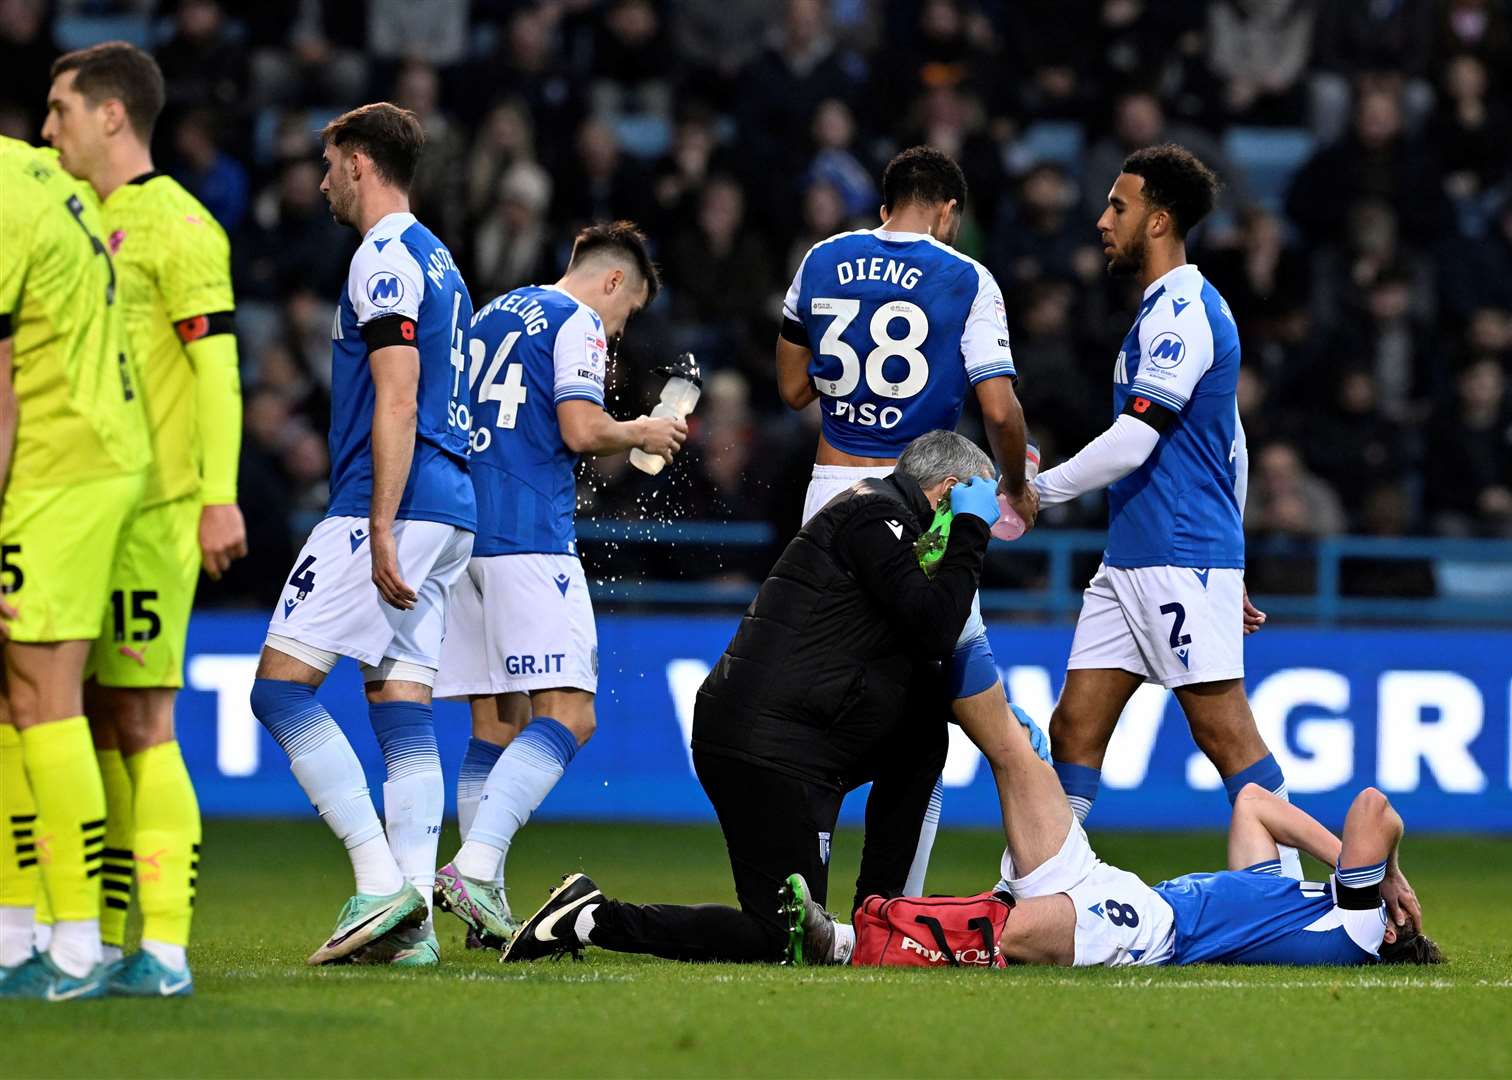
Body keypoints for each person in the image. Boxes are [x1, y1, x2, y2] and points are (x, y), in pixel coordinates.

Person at [501, 431, 1002, 965]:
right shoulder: (875, 517)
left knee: (922, 732)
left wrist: (994, 709)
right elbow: (933, 628)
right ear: (949, 491)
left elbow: (918, 647)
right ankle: (591, 917)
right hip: (766, 747)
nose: (986, 519)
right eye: (981, 502)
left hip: (798, 738)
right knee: (778, 941)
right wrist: (971, 530)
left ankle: (878, 922)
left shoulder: (881, 519)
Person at [1026, 144, 1303, 876]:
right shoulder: (1162, 310)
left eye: (1118, 207)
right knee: (1075, 727)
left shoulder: (1183, 312)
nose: (1101, 220)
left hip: (1179, 553)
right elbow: (1233, 444)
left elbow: (1132, 442)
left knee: (1225, 736)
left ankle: (1299, 893)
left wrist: (1039, 490)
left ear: (1159, 221)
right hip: (1134, 556)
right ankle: (1049, 883)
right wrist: (1235, 557)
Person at [245, 103, 477, 967]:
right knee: (400, 706)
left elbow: (398, 392)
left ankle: (379, 879)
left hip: (391, 503)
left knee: (279, 690)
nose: (320, 182)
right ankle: (412, 922)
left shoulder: (382, 257)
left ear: (363, 164)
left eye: (329, 163)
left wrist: (377, 520)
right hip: (453, 506)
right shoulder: (441, 258)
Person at [775, 144, 1037, 896]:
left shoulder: (822, 258)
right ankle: (902, 906)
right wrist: (1015, 483)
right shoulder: (966, 278)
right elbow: (998, 407)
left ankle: (799, 889)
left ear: (885, 200)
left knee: (815, 696)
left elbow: (794, 386)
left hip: (827, 499)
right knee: (933, 714)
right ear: (949, 210)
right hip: (916, 505)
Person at [42, 41, 246, 997]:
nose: (49, 131)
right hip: (80, 507)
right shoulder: (75, 215)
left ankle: (160, 944)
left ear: (113, 115)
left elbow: (216, 371)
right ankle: (101, 933)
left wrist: (216, 497)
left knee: (140, 716)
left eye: (62, 112)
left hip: (154, 513)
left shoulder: (181, 226)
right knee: (78, 717)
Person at [433, 222, 686, 948]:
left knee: (495, 724)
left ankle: (485, 909)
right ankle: (475, 868)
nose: (621, 324)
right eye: (629, 309)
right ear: (612, 282)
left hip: (463, 535)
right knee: (572, 715)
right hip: (530, 539)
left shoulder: (494, 311)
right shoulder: (579, 321)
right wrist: (639, 430)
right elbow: (578, 428)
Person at [0, 135, 151, 1000]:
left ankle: (76, 944)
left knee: (45, 703)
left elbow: (4, 387)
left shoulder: (15, 197)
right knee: (23, 704)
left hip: (58, 472)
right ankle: (23, 931)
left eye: (65, 108)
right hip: (83, 463)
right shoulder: (46, 180)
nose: (55, 128)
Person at [789, 785, 1438, 969]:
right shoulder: (1292, 902)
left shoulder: (1355, 927)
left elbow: (1373, 808)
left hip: (1157, 933)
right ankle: (864, 927)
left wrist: (1387, 878)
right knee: (1021, 756)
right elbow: (1253, 806)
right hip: (1135, 894)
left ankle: (846, 942)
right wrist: (1355, 870)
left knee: (1006, 929)